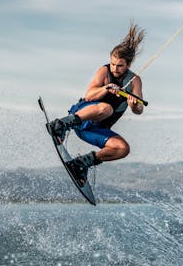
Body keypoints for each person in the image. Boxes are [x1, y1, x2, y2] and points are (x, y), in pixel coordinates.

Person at [47, 22, 145, 186]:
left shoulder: (134, 81)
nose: (115, 68)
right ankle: (61, 125)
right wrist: (106, 88)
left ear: (128, 65)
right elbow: (89, 95)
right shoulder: (104, 72)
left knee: (123, 148)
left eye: (120, 66)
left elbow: (139, 109)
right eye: (113, 64)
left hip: (94, 129)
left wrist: (134, 104)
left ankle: (81, 164)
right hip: (82, 116)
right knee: (106, 108)